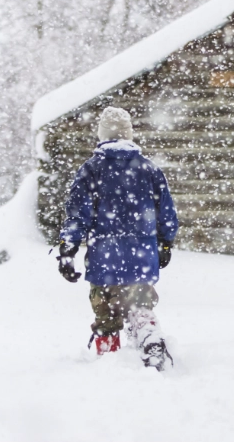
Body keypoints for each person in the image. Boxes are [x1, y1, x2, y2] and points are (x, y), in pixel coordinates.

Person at [55, 107, 178, 371]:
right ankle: (150, 337)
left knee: (106, 317)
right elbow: (167, 213)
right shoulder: (149, 169)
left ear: (102, 135)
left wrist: (68, 249)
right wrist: (165, 243)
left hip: (105, 259)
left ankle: (109, 363)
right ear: (128, 134)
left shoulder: (91, 170)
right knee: (140, 305)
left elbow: (77, 215)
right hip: (142, 258)